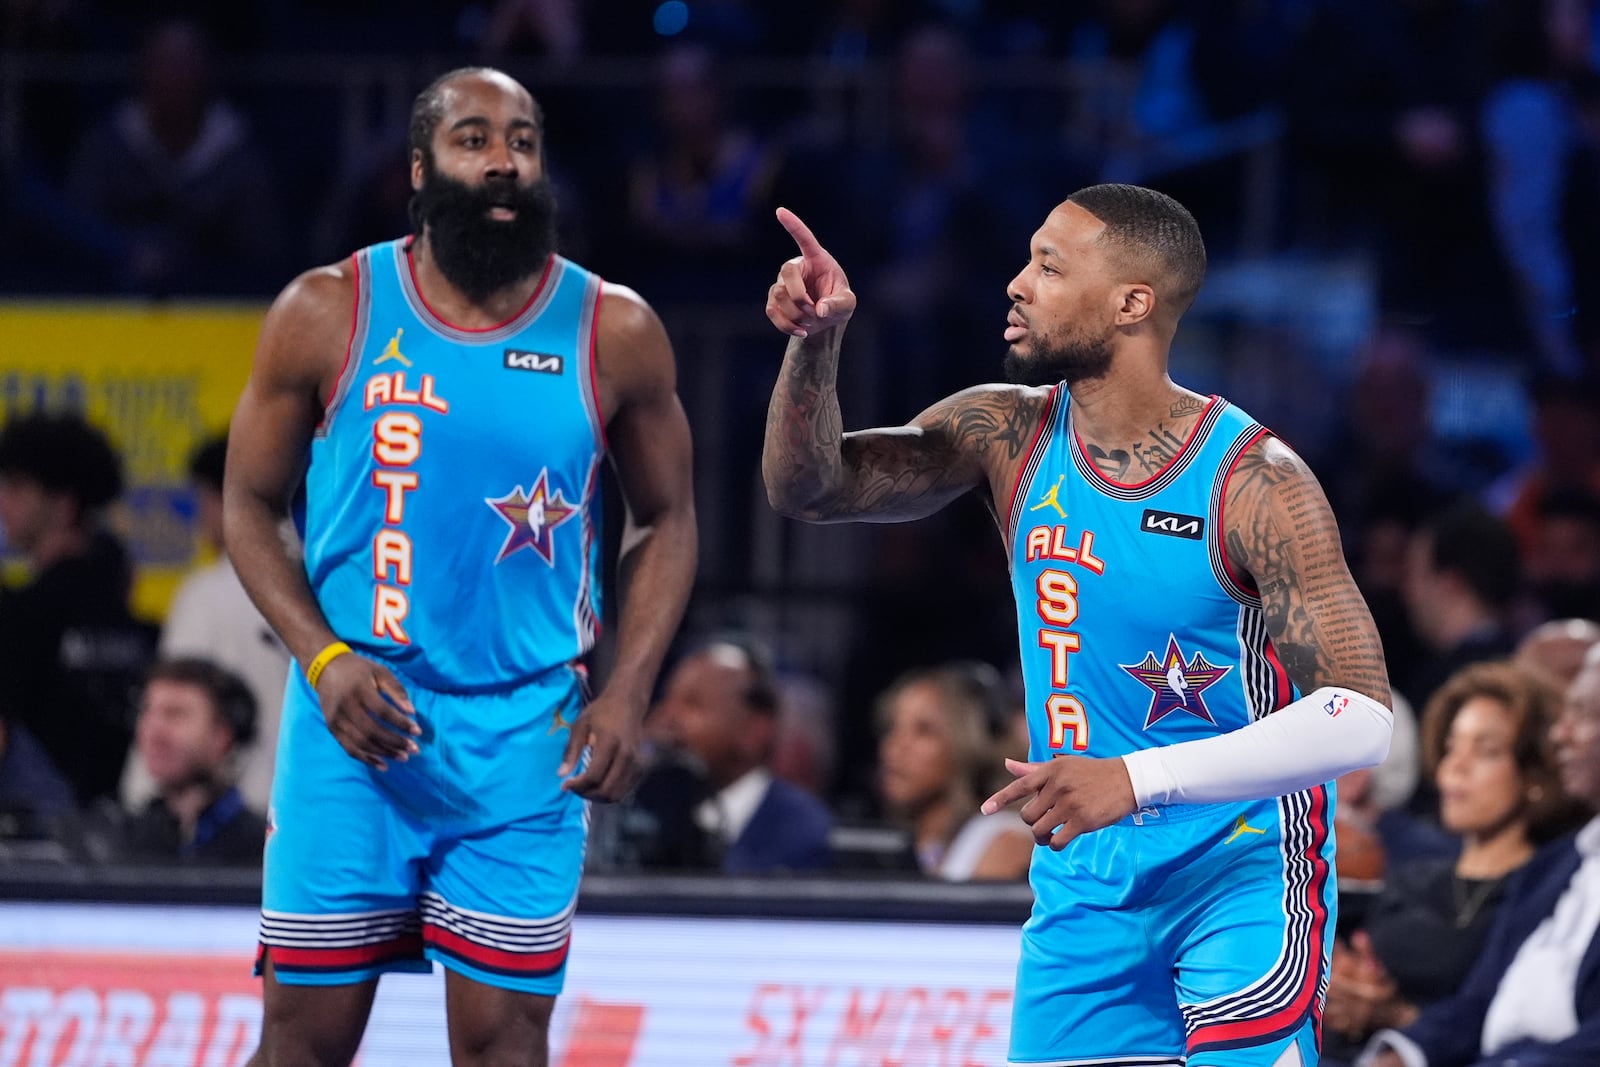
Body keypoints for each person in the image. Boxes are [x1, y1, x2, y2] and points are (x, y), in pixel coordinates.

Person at [763, 183, 1393, 1066]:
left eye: (1049, 266)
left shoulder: (1256, 481)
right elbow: (811, 488)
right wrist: (814, 344)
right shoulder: (1006, 432)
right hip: (1086, 881)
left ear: (1133, 302)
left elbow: (1361, 715)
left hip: (1241, 867)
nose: (1018, 284)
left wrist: (1132, 778)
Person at [224, 67, 696, 1067]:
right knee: (301, 1040)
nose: (502, 163)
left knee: (504, 1040)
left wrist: (628, 693)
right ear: (419, 168)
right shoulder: (324, 310)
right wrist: (320, 659)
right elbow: (249, 507)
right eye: (474, 139)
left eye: (522, 141)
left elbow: (667, 517)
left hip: (527, 731)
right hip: (357, 714)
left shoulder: (612, 328)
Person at [1324, 660, 1577, 1064]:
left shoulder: (1546, 892)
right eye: (1450, 747)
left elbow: (1505, 1024)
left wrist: (1395, 1016)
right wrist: (1341, 980)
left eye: (1486, 751)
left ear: (1535, 771)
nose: (1455, 767)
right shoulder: (1412, 876)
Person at [122, 432, 291, 814]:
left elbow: (171, 697)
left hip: (223, 812)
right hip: (299, 807)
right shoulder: (320, 583)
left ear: (229, 498)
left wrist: (139, 797)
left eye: (205, 499)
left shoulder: (207, 593)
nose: (201, 514)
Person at [0, 411, 158, 806]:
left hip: (36, 841)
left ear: (64, 504)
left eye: (18, 487)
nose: (4, 502)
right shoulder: (129, 615)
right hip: (130, 831)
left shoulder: (20, 615)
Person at [641, 634, 832, 874]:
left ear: (755, 730)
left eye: (693, 704)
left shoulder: (801, 828)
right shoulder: (642, 811)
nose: (667, 717)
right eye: (665, 700)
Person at [875, 662, 1034, 882]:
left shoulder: (1001, 838)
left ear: (966, 742)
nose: (894, 748)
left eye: (924, 731)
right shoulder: (916, 847)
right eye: (892, 727)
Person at [108, 657, 269, 866]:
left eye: (175, 714)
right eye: (147, 712)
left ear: (223, 735)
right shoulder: (121, 844)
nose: (153, 731)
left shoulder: (266, 850)